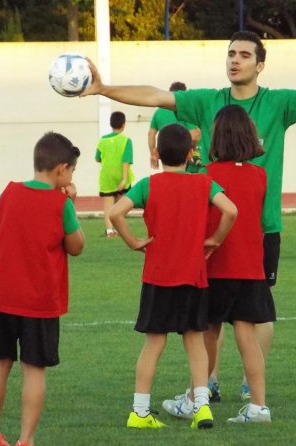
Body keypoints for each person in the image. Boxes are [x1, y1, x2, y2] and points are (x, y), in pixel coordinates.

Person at [81, 30, 296, 400]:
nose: (235, 60)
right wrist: (105, 89)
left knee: (258, 313)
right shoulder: (207, 100)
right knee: (209, 314)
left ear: (260, 65)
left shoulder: (278, 103)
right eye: (231, 53)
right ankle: (208, 383)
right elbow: (155, 95)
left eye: (244, 55)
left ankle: (252, 385)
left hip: (262, 228)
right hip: (213, 229)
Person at [109, 123, 237, 430]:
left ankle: (139, 412)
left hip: (158, 276)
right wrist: (215, 239)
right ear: (191, 153)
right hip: (193, 275)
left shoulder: (147, 184)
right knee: (195, 342)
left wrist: (133, 242)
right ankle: (202, 408)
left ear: (156, 153)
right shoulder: (203, 183)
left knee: (153, 343)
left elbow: (115, 213)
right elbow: (231, 211)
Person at [0, 132, 84, 446]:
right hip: (40, 304)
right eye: (71, 170)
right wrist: (71, 202)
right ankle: (25, 440)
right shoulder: (61, 203)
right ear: (61, 170)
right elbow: (76, 246)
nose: (71, 177)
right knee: (34, 371)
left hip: (2, 298)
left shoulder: (8, 193)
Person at [162, 105, 275, 423]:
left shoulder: (204, 176)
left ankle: (194, 399)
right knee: (247, 336)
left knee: (206, 334)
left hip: (216, 267)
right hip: (251, 266)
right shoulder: (260, 174)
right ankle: (258, 407)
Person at [96, 111, 134, 237]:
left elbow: (97, 158)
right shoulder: (126, 140)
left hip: (107, 176)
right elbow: (126, 161)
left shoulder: (102, 140)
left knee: (108, 205)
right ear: (123, 125)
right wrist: (123, 179)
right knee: (120, 206)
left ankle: (109, 230)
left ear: (110, 124)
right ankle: (119, 229)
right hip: (121, 176)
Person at [147, 81, 202, 170]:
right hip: (186, 156)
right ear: (184, 95)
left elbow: (151, 134)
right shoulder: (186, 111)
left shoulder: (159, 112)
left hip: (166, 155)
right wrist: (189, 148)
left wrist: (153, 154)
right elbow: (196, 133)